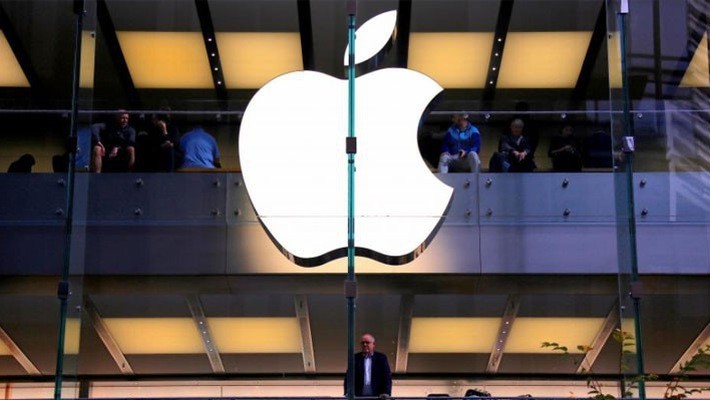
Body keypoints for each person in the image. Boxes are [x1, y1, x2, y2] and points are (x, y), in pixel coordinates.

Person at [344, 333, 392, 398]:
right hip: (358, 396)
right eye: (363, 343)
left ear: (373, 344)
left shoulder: (381, 358)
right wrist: (347, 392)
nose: (365, 344)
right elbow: (348, 377)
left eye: (367, 342)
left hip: (377, 396)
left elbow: (386, 376)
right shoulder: (355, 358)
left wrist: (386, 392)